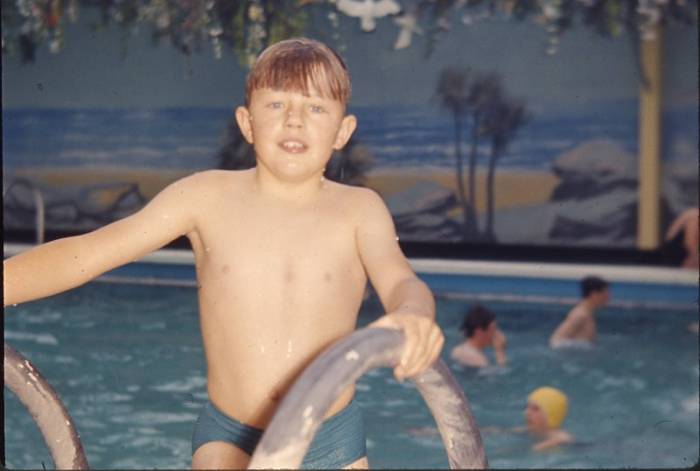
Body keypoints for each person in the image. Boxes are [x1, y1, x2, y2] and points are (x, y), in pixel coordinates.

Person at [3, 37, 445, 470]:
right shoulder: (204, 197)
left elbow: (401, 280)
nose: (294, 120)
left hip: (329, 436)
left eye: (315, 108)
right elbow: (88, 253)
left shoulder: (359, 210)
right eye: (276, 105)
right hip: (231, 433)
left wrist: (413, 317)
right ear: (247, 121)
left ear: (342, 131)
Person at [477, 386, 573, 452]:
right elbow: (503, 432)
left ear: (552, 414)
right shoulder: (530, 430)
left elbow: (534, 450)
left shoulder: (560, 437)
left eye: (535, 409)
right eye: (528, 407)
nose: (527, 412)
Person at [549, 276, 609, 348]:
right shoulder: (580, 315)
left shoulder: (587, 314)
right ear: (594, 294)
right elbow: (555, 341)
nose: (608, 298)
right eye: (605, 294)